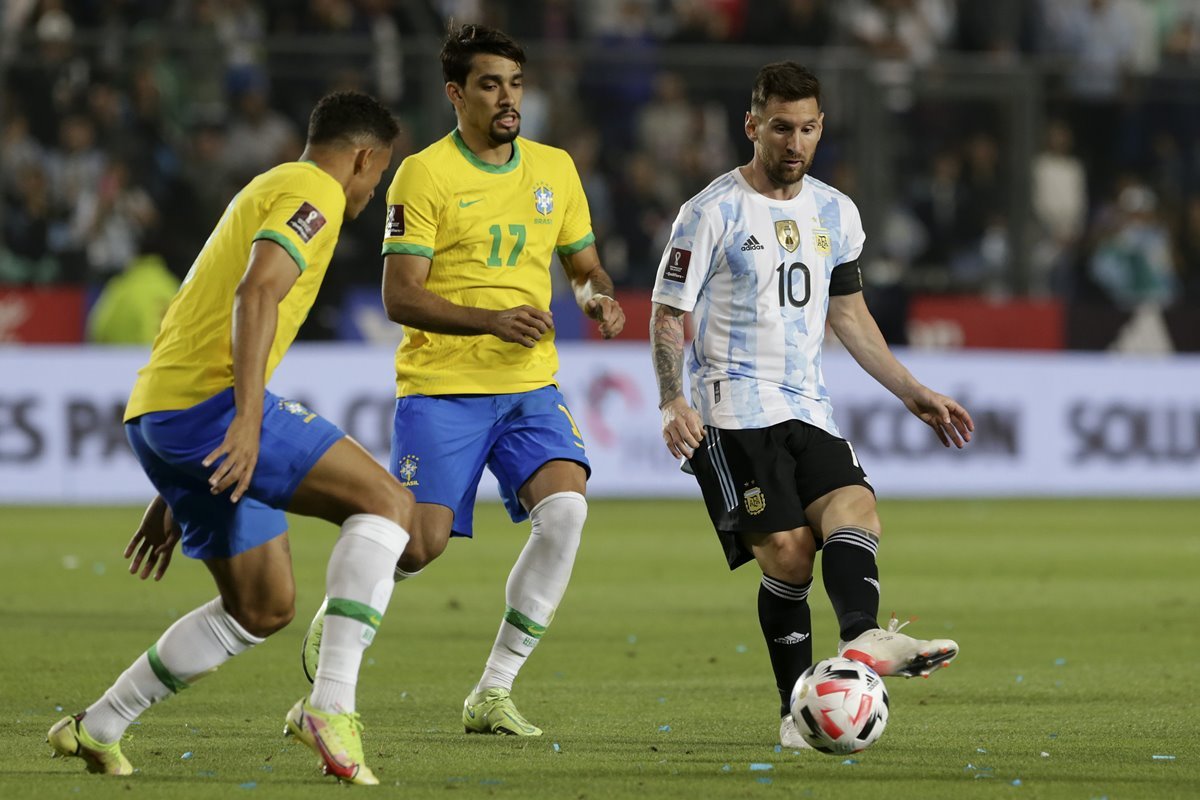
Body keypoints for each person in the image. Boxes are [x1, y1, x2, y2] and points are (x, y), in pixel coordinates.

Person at [47, 91, 409, 786]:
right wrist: (244, 421)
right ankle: (330, 707)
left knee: (262, 607)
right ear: (363, 157)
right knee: (389, 506)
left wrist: (174, 480)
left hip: (163, 413)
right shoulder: (316, 193)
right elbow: (254, 296)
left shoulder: (268, 185)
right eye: (378, 172)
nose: (374, 188)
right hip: (211, 408)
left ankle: (99, 727)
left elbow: (204, 303)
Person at [300, 23, 626, 738]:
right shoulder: (424, 174)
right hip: (443, 387)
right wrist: (489, 321)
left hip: (530, 387)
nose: (507, 98)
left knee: (566, 512)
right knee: (419, 544)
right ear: (456, 94)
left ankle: (494, 690)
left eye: (514, 83)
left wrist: (597, 294)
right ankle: (340, 611)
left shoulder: (556, 169)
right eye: (489, 84)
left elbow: (582, 263)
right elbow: (399, 296)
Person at [649, 62, 972, 750]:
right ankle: (795, 713)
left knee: (855, 508)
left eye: (807, 129)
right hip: (731, 411)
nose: (794, 143)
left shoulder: (835, 212)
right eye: (780, 128)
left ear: (821, 127)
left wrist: (913, 391)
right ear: (752, 126)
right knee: (791, 557)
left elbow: (850, 315)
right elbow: (666, 313)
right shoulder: (710, 212)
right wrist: (673, 398)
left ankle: (862, 637)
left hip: (807, 405)